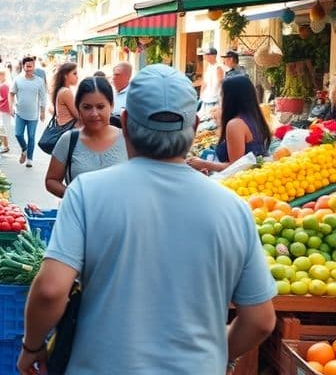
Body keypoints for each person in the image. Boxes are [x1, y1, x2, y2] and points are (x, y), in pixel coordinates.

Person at [18, 64, 276, 375]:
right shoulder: (233, 209)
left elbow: (50, 290)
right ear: (194, 125)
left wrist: (32, 347)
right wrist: (216, 355)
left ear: (124, 122)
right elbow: (261, 320)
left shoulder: (87, 193)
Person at [44, 77, 127, 198]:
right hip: (78, 215)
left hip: (120, 216)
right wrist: (75, 197)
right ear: (78, 108)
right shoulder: (68, 140)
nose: (94, 114)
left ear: (111, 106)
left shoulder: (127, 140)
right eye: (87, 107)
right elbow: (51, 180)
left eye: (100, 107)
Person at [187, 76, 271, 173]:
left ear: (230, 97)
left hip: (242, 182)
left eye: (221, 95)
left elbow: (236, 167)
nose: (220, 99)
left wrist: (204, 164)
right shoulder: (255, 118)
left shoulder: (235, 124)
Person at [9, 57, 48, 167]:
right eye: (27, 66)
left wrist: (42, 112)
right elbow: (11, 93)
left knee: (31, 136)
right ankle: (24, 149)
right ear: (23, 67)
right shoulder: (17, 79)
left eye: (31, 66)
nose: (29, 68)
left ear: (34, 67)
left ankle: (29, 159)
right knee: (18, 134)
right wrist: (10, 107)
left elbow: (43, 97)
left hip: (33, 115)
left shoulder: (39, 81)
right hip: (20, 113)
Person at [51, 62, 82, 129]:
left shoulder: (62, 90)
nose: (77, 77)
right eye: (74, 74)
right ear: (65, 76)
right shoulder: (65, 92)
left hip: (64, 127)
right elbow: (78, 115)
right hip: (67, 128)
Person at [0, 69, 12, 154]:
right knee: (4, 128)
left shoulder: (4, 86)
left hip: (4, 109)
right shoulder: (5, 85)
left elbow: (3, 98)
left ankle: (5, 146)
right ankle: (5, 145)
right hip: (5, 109)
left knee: (3, 128)